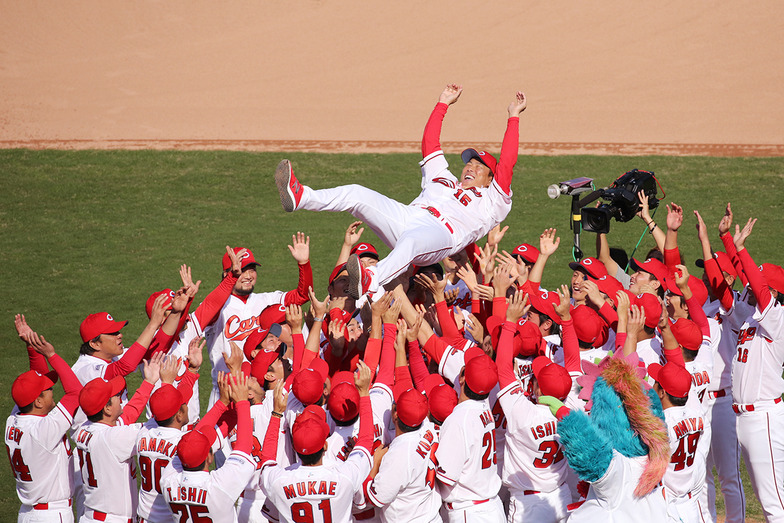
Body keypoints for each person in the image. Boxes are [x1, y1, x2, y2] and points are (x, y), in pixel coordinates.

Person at [274, 84, 527, 299]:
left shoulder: (493, 201)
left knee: (412, 240)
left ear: (490, 178)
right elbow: (430, 146)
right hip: (407, 217)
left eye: (478, 166)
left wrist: (513, 116)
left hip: (441, 235)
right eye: (469, 163)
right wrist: (442, 104)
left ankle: (370, 280)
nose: (470, 167)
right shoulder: (444, 180)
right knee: (357, 194)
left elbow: (507, 163)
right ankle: (302, 197)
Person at [7, 327, 82, 523]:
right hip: (52, 515)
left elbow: (30, 385)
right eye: (48, 389)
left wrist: (33, 348)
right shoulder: (44, 430)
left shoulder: (14, 419)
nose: (52, 390)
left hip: (27, 513)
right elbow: (76, 392)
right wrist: (51, 355)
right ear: (38, 402)